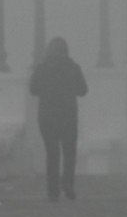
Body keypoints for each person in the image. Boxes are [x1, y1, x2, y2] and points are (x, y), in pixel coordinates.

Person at [28, 37, 88, 200]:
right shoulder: (73, 68)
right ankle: (67, 183)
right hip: (68, 116)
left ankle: (52, 189)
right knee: (69, 152)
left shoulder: (42, 68)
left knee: (52, 153)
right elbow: (83, 90)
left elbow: (33, 90)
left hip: (47, 118)